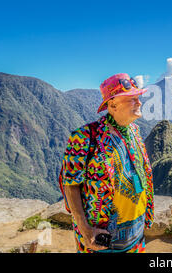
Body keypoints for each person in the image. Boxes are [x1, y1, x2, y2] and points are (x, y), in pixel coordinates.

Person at [60, 73, 154, 253]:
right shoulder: (84, 137)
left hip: (136, 231)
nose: (139, 102)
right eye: (131, 99)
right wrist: (84, 229)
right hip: (102, 235)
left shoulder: (134, 131)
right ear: (112, 105)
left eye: (138, 97)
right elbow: (70, 185)